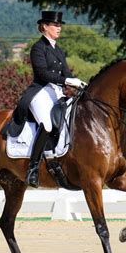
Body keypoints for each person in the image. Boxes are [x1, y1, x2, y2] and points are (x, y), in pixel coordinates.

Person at [20, 11, 87, 188]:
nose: (59, 28)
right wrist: (66, 81)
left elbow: (66, 73)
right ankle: (33, 169)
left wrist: (77, 84)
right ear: (44, 27)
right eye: (55, 25)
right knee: (47, 125)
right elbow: (42, 73)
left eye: (60, 25)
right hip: (40, 92)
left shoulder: (58, 50)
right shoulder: (38, 48)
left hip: (56, 91)